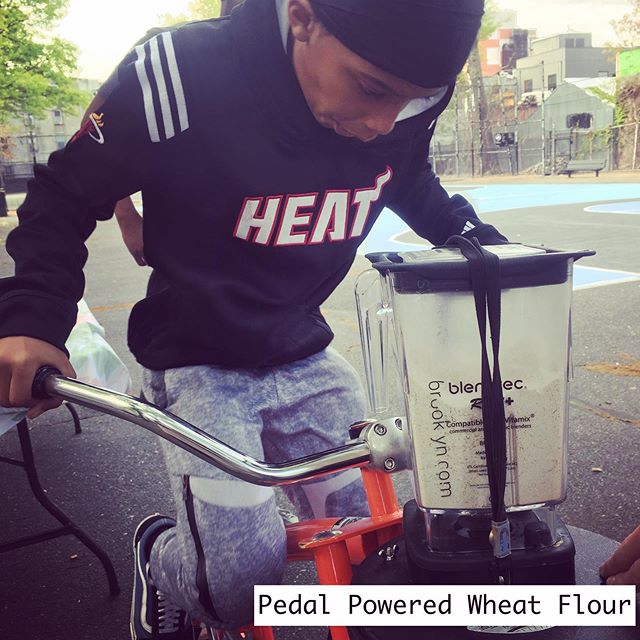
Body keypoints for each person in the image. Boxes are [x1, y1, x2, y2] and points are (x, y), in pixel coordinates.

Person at [0, 0, 506, 638]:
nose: (384, 122)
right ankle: (163, 558)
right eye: (371, 89)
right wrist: (31, 319)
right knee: (238, 588)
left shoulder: (410, 94)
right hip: (198, 359)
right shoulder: (176, 74)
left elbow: (403, 174)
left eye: (412, 100)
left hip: (306, 350)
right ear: (303, 17)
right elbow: (64, 194)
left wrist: (482, 246)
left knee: (368, 550)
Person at [82, 0, 246, 267]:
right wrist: (126, 217)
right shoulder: (167, 50)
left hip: (265, 257)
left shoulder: (294, 63)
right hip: (184, 255)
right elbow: (94, 124)